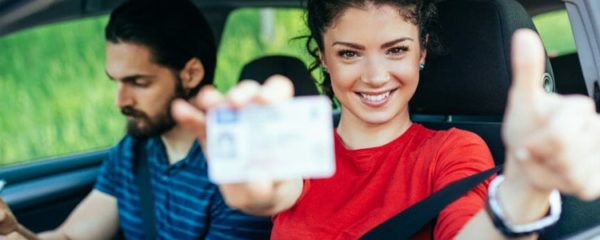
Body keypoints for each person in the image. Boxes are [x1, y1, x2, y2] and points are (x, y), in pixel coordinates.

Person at [171, 0, 600, 239]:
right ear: (323, 59)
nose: (375, 77)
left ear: (422, 52)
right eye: (349, 53)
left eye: (396, 50)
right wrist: (255, 188)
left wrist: (526, 188)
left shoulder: (451, 151)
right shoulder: (300, 146)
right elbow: (277, 189)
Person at [0, 0, 272, 239]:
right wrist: (15, 232)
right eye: (116, 82)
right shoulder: (132, 152)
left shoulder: (236, 175)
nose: (121, 101)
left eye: (139, 83)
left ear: (191, 74)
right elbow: (71, 236)